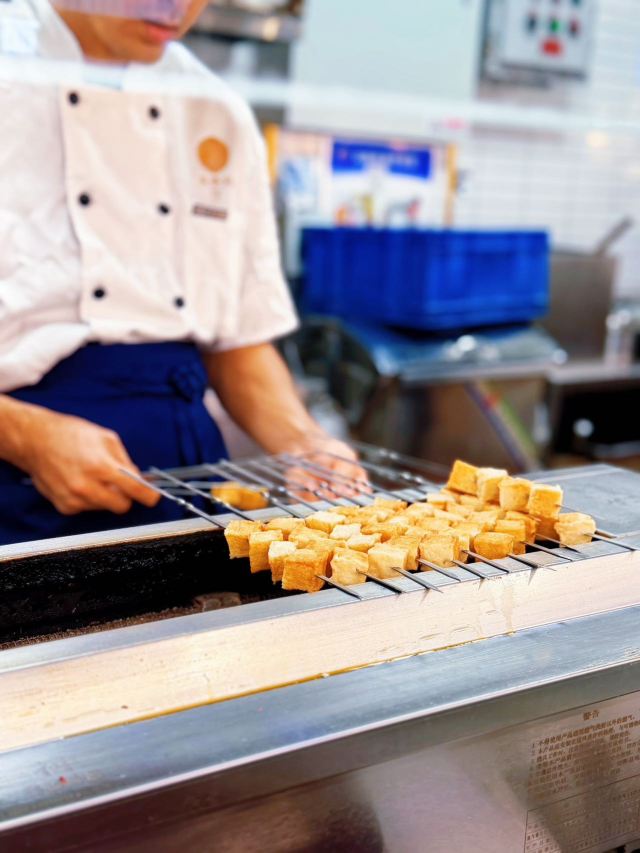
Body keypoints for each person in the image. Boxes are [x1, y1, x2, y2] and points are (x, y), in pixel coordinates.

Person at [0, 0, 360, 545]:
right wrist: (23, 435)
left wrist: (303, 443)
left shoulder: (213, 110)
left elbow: (238, 342)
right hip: (15, 494)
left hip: (188, 490)